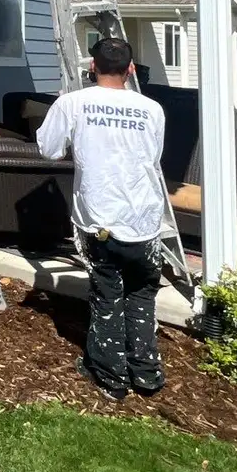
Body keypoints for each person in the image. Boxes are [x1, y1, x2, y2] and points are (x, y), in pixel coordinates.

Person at [35, 37, 167, 401]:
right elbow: (154, 155)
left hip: (100, 219)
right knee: (141, 295)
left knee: (107, 294)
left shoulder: (72, 103)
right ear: (130, 70)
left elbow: (48, 150)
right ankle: (147, 373)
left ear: (91, 68)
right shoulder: (152, 108)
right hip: (145, 219)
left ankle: (111, 378)